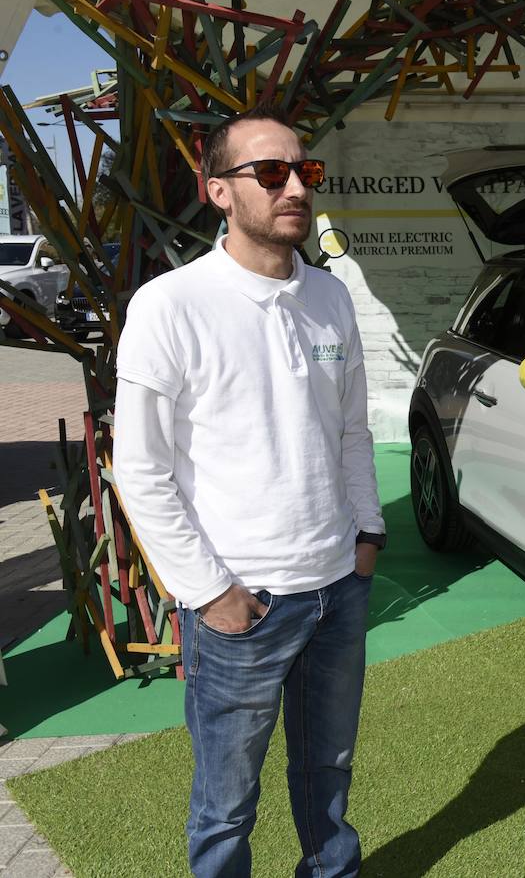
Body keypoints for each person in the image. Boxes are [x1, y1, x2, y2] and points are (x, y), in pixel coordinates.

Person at [114, 106, 385, 878]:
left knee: (328, 773)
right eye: (271, 172)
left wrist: (367, 536)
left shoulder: (329, 297)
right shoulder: (171, 306)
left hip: (337, 585)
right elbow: (142, 467)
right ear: (218, 191)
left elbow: (351, 432)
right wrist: (208, 592)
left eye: (306, 170)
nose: (295, 185)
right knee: (227, 802)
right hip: (244, 604)